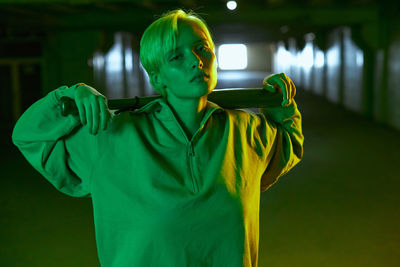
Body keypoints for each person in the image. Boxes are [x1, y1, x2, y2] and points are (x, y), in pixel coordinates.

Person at [12, 8, 304, 267]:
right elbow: (28, 135)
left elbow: (288, 145)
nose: (196, 60)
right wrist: (69, 94)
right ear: (156, 77)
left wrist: (279, 101)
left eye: (202, 48)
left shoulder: (244, 131)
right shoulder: (110, 136)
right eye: (176, 56)